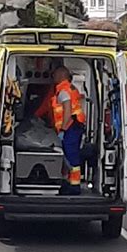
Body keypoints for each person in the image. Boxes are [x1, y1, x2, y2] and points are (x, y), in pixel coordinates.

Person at [51, 66, 86, 195]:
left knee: (71, 156)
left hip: (70, 127)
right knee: (70, 155)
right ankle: (70, 183)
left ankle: (74, 186)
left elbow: (67, 111)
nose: (53, 76)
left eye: (55, 74)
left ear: (61, 75)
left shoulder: (63, 91)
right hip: (75, 125)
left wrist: (63, 130)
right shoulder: (71, 88)